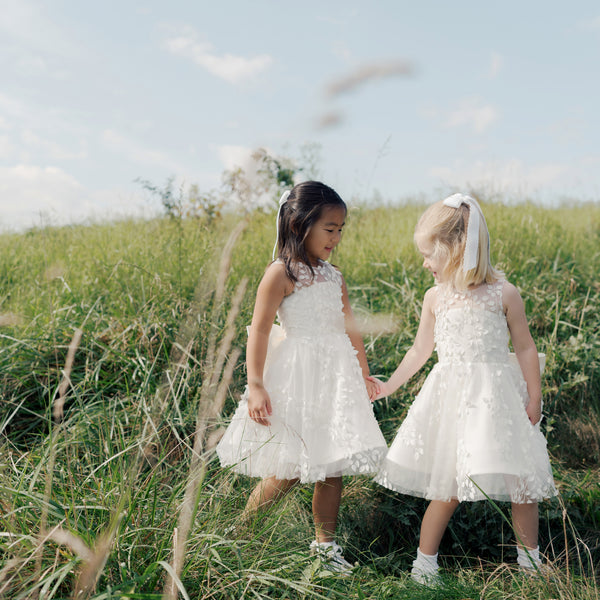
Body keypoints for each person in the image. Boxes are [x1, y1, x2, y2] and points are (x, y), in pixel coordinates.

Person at [370, 193, 557, 584]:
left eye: (429, 254)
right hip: (453, 399)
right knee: (449, 483)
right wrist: (388, 385)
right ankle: (424, 564)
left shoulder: (503, 294)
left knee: (522, 481)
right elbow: (421, 350)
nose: (424, 264)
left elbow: (524, 346)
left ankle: (530, 562)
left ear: (456, 249)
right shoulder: (435, 298)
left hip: (498, 399)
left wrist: (535, 395)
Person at [217, 181, 387, 573]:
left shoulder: (333, 276)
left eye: (341, 229)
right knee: (289, 468)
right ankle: (240, 535)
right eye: (330, 228)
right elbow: (259, 330)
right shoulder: (281, 272)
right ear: (299, 223)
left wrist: (362, 373)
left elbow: (351, 327)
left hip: (336, 377)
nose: (337, 237)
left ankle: (325, 550)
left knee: (333, 465)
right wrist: (256, 384)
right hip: (298, 377)